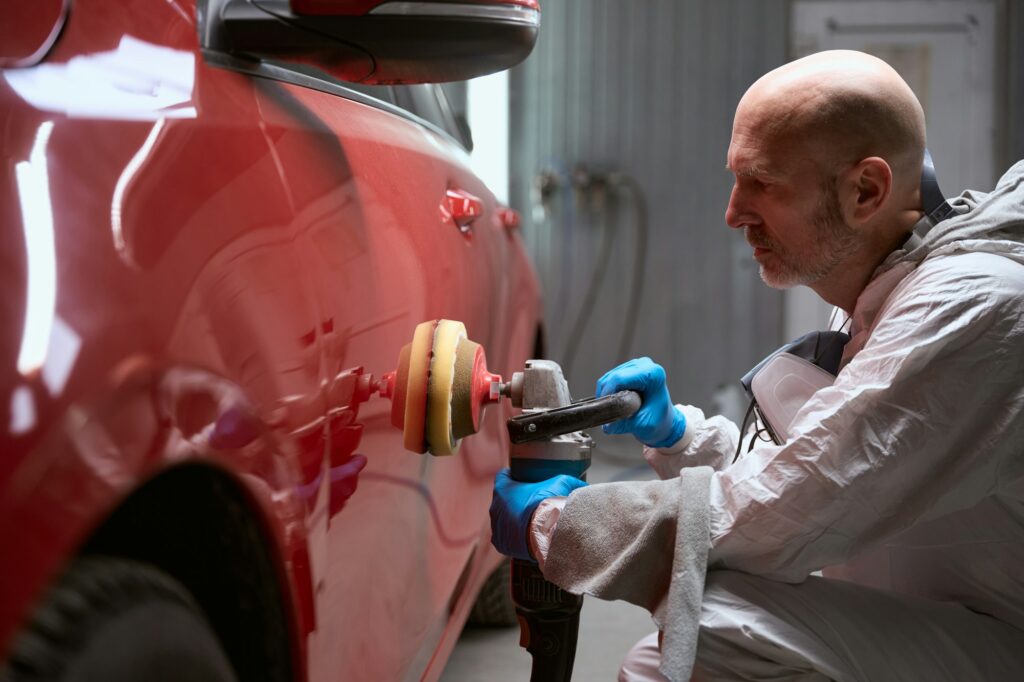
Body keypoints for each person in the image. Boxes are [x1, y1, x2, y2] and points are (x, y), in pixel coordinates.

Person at [490, 49, 1024, 681]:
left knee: (709, 627)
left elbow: (796, 504)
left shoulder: (971, 308)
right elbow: (811, 466)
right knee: (675, 653)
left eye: (763, 183)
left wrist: (559, 525)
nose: (734, 211)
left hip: (999, 638)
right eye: (735, 177)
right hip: (953, 622)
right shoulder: (886, 292)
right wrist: (680, 437)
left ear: (866, 191)